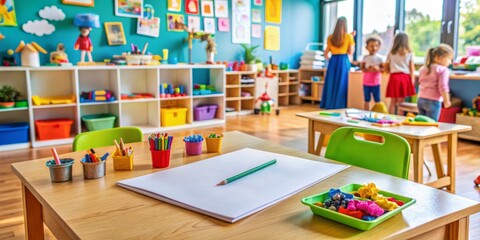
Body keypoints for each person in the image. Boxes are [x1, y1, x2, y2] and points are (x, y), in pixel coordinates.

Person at [321, 17, 355, 109]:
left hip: (333, 60)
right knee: (342, 83)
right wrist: (351, 37)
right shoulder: (349, 37)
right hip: (343, 61)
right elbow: (351, 52)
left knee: (331, 83)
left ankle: (329, 103)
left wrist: (331, 60)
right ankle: (339, 104)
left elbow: (325, 54)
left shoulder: (330, 37)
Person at [417, 44, 454, 121]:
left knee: (421, 124)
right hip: (433, 101)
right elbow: (443, 86)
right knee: (431, 125)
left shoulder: (423, 69)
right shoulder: (442, 70)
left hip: (421, 99)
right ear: (437, 58)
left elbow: (421, 82)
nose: (450, 62)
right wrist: (447, 101)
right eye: (449, 59)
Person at [385, 32, 416, 114]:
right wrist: (412, 81)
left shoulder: (391, 53)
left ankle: (390, 118)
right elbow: (412, 69)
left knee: (393, 101)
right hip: (405, 77)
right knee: (401, 102)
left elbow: (386, 67)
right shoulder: (409, 53)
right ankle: (400, 119)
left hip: (394, 77)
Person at [361, 36, 384, 110]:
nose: (374, 48)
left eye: (376, 46)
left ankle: (377, 112)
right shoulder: (365, 57)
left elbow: (383, 69)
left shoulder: (380, 58)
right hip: (366, 83)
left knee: (377, 100)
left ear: (379, 47)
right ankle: (366, 113)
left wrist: (377, 69)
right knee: (367, 100)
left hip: (376, 83)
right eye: (371, 46)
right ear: (367, 47)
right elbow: (362, 68)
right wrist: (367, 69)